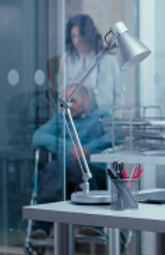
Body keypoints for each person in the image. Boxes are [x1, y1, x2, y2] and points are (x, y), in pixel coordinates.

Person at [30, 84, 112, 238]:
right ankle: (41, 227)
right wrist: (69, 148)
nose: (69, 106)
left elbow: (115, 135)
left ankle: (92, 224)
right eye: (66, 102)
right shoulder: (61, 120)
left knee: (78, 168)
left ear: (86, 100)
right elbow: (38, 137)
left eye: (72, 101)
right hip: (64, 173)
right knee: (51, 170)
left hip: (93, 171)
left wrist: (86, 149)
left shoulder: (101, 116)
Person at [58, 14, 124, 112]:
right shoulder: (66, 60)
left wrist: (116, 120)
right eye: (74, 36)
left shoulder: (108, 60)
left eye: (81, 34)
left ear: (89, 33)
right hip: (76, 118)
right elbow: (62, 92)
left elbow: (119, 93)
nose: (78, 39)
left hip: (105, 118)